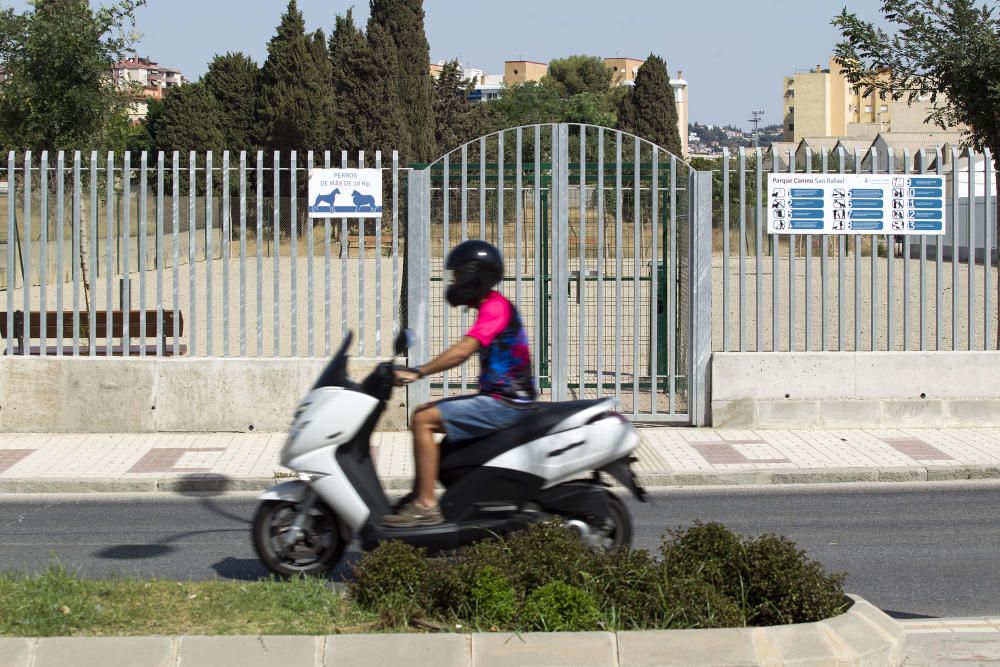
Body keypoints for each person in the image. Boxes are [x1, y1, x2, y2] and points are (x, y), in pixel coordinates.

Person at [384, 240, 538, 527]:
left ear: (473, 275)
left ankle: (426, 506)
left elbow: (463, 350)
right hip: (503, 398)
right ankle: (421, 494)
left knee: (423, 418)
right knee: (437, 434)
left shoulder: (495, 308)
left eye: (456, 275)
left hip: (506, 403)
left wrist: (419, 371)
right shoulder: (493, 306)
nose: (453, 283)